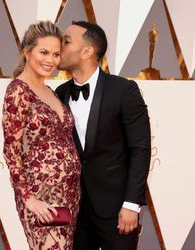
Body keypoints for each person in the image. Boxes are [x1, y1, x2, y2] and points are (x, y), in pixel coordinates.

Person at [56, 21, 151, 250]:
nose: (60, 46)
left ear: (87, 51)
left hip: (117, 209)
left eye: (66, 41)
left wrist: (131, 204)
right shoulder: (60, 93)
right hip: (75, 211)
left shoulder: (123, 90)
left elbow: (140, 149)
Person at [2, 21, 81, 249]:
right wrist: (29, 198)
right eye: (44, 52)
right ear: (27, 51)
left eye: (56, 54)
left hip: (70, 195)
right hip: (41, 196)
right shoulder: (18, 91)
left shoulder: (50, 92)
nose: (51, 60)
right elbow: (11, 149)